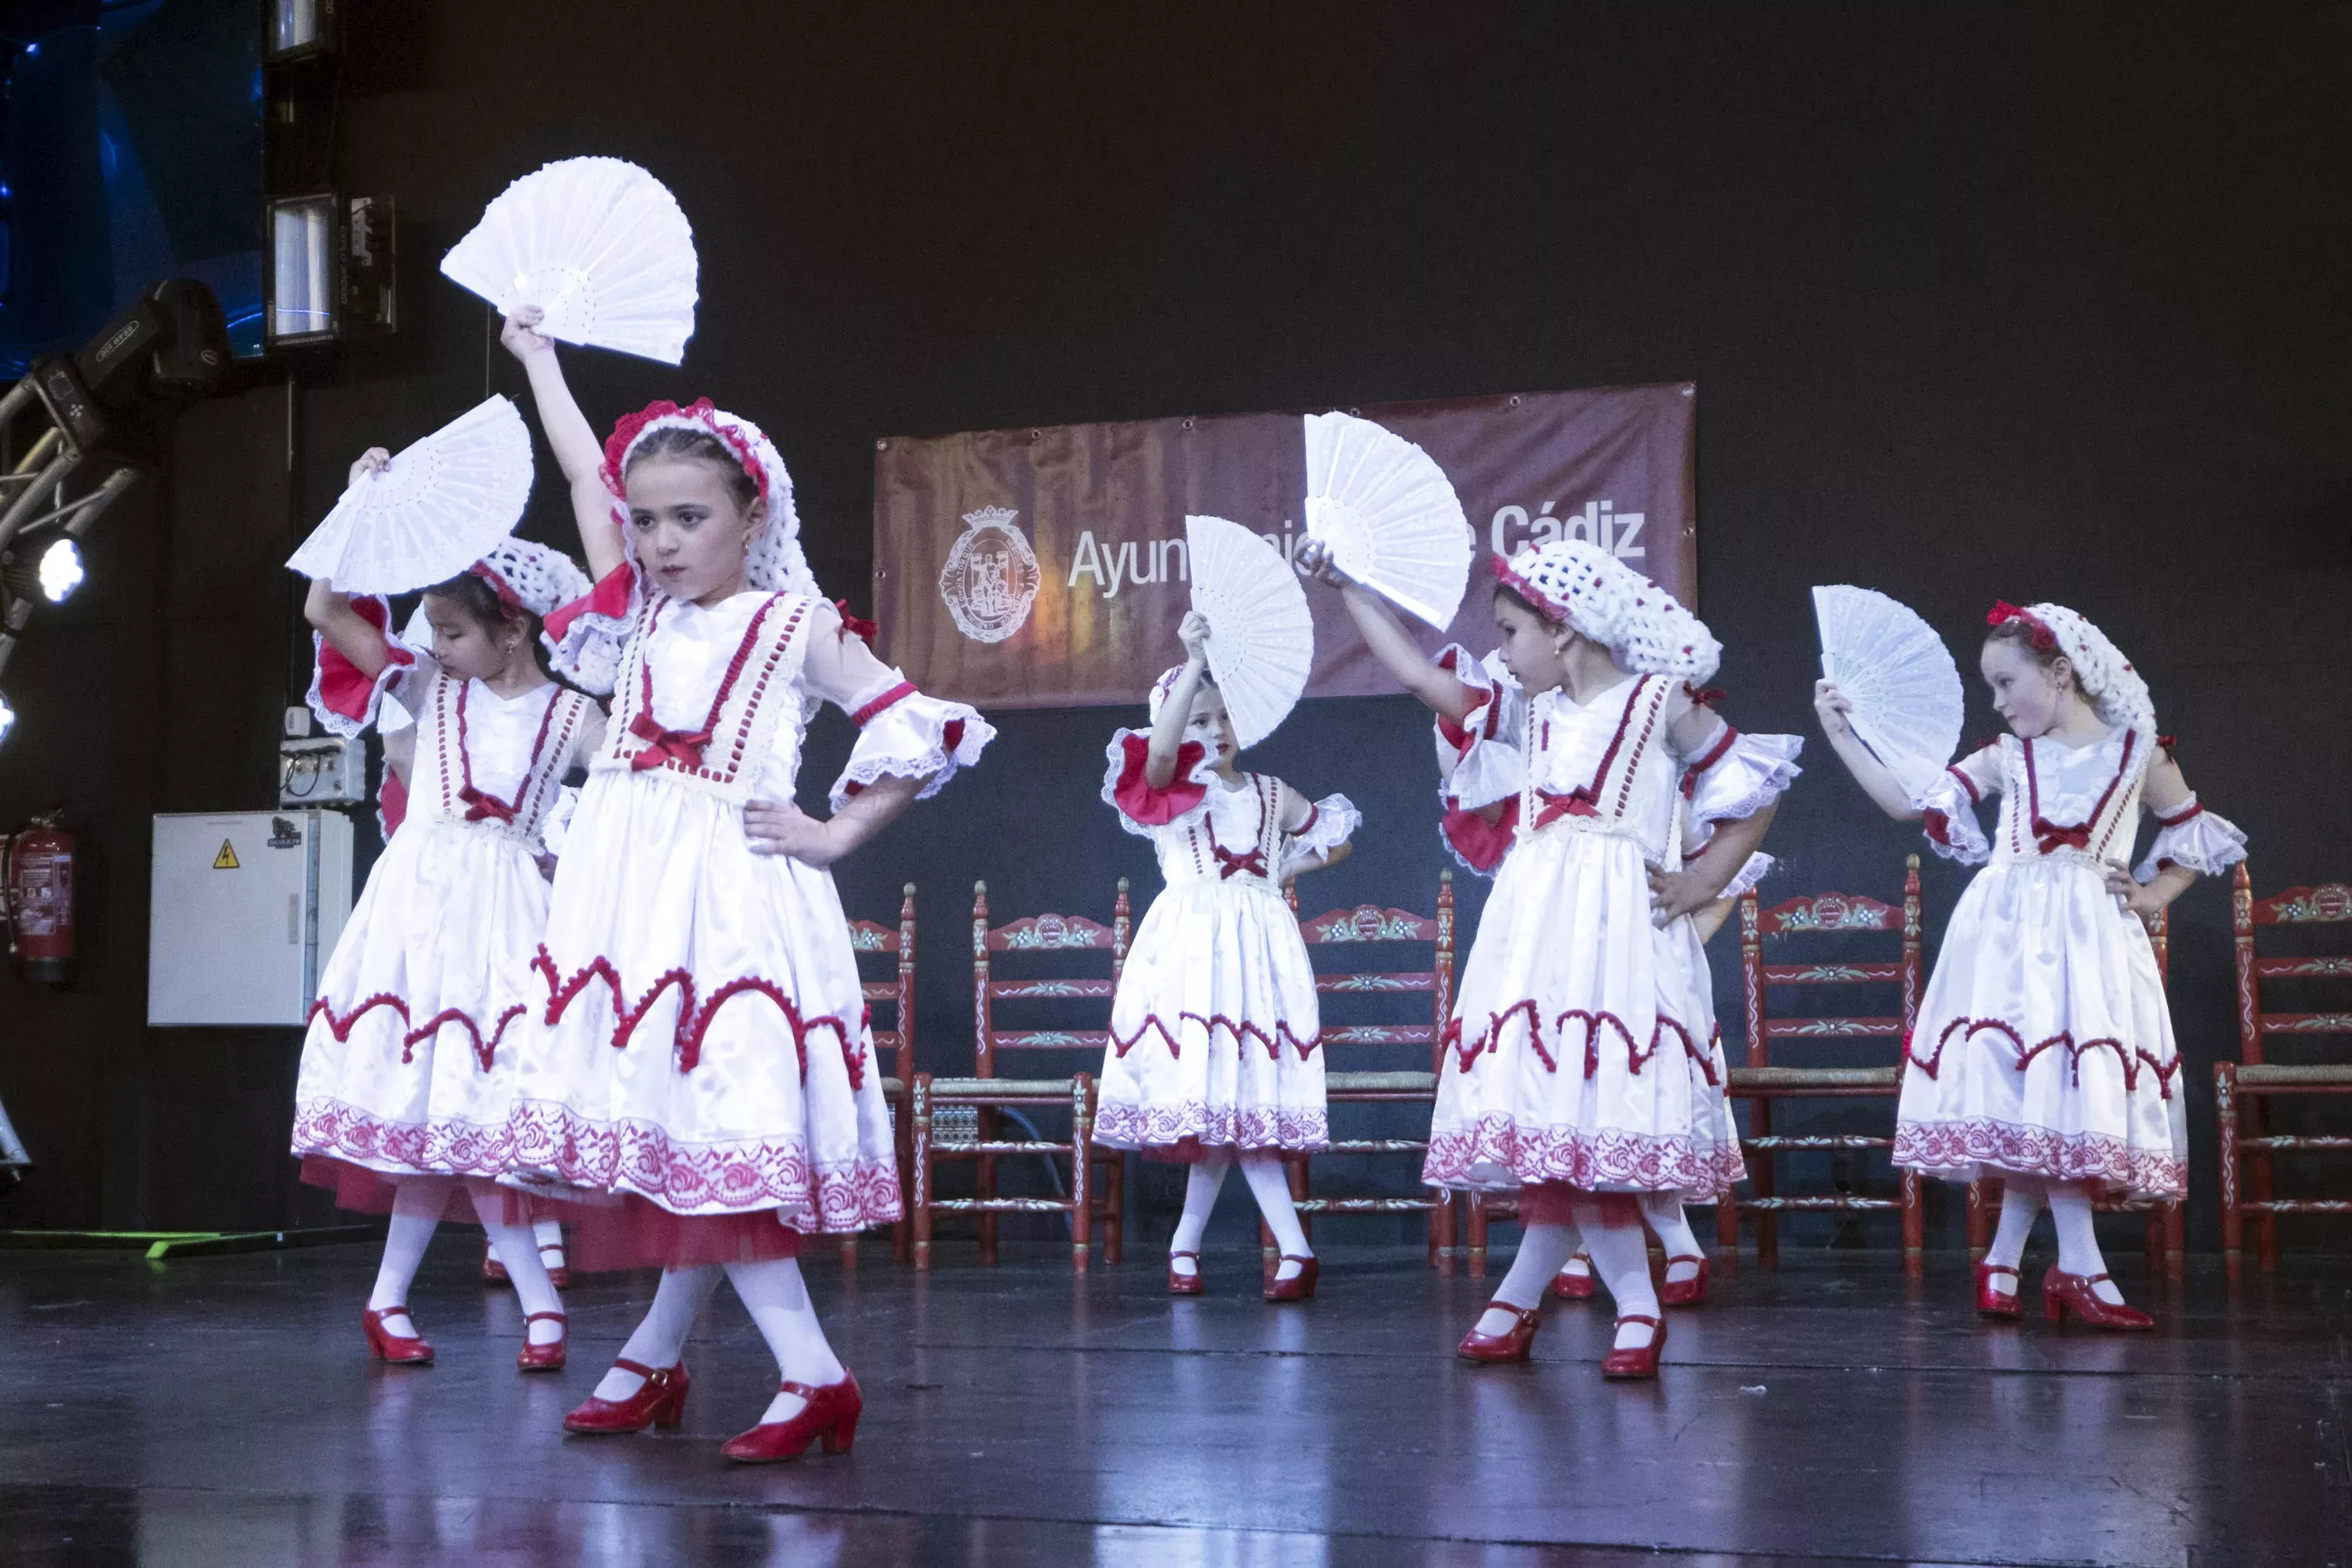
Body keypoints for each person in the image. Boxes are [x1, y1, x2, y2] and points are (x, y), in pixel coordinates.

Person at [499, 306, 992, 1460]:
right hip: (626, 900)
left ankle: (814, 1372)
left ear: (749, 514)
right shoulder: (632, 613)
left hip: (727, 902)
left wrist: (833, 832)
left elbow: (921, 731)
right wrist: (539, 362)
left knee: (720, 1127)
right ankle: (651, 1359)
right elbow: (583, 469)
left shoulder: (791, 624)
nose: (662, 540)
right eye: (649, 520)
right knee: (676, 1135)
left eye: (690, 517)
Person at [1305, 538, 1796, 1377]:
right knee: (1557, 1131)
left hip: (1621, 944)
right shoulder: (1527, 714)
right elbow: (1424, 679)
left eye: (1509, 632)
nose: (1500, 651)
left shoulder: (1654, 703)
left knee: (1592, 1123)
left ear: (1562, 630)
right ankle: (1559, 1305)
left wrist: (1698, 881)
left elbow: (1755, 791)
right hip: (1537, 942)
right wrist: (1350, 587)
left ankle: (1574, 1305)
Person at [1816, 600, 2243, 1328]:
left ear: (2059, 672)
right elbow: (1903, 804)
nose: (1998, 702)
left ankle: (2006, 1263)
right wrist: (1841, 733)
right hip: (2008, 941)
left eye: (2006, 683)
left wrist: (2149, 895)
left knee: (2061, 1095)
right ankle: (2073, 1269)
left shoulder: (2138, 752)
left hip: (2090, 944)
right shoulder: (2007, 757)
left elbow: (2189, 836)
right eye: (1990, 688)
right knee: (2030, 1093)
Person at [293, 487, 603, 1373]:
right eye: (430, 628)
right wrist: (354, 502)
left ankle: (395, 1300)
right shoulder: (427, 688)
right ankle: (522, 1309)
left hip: (507, 916)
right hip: (420, 914)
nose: (435, 645)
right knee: (445, 1118)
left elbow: (634, 772)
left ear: (514, 630)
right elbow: (321, 605)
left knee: (477, 1118)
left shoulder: (570, 716)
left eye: (454, 631)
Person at [1095, 614, 1359, 1299]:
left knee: (1234, 1104)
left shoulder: (1271, 793)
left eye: (1221, 718)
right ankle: (1293, 1249)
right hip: (1192, 953)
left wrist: (1276, 874)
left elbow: (1335, 839)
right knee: (1219, 1102)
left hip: (1258, 953)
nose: (1212, 732)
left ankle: (1189, 1246)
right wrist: (1189, 662)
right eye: (1197, 719)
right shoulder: (1170, 789)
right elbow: (1156, 759)